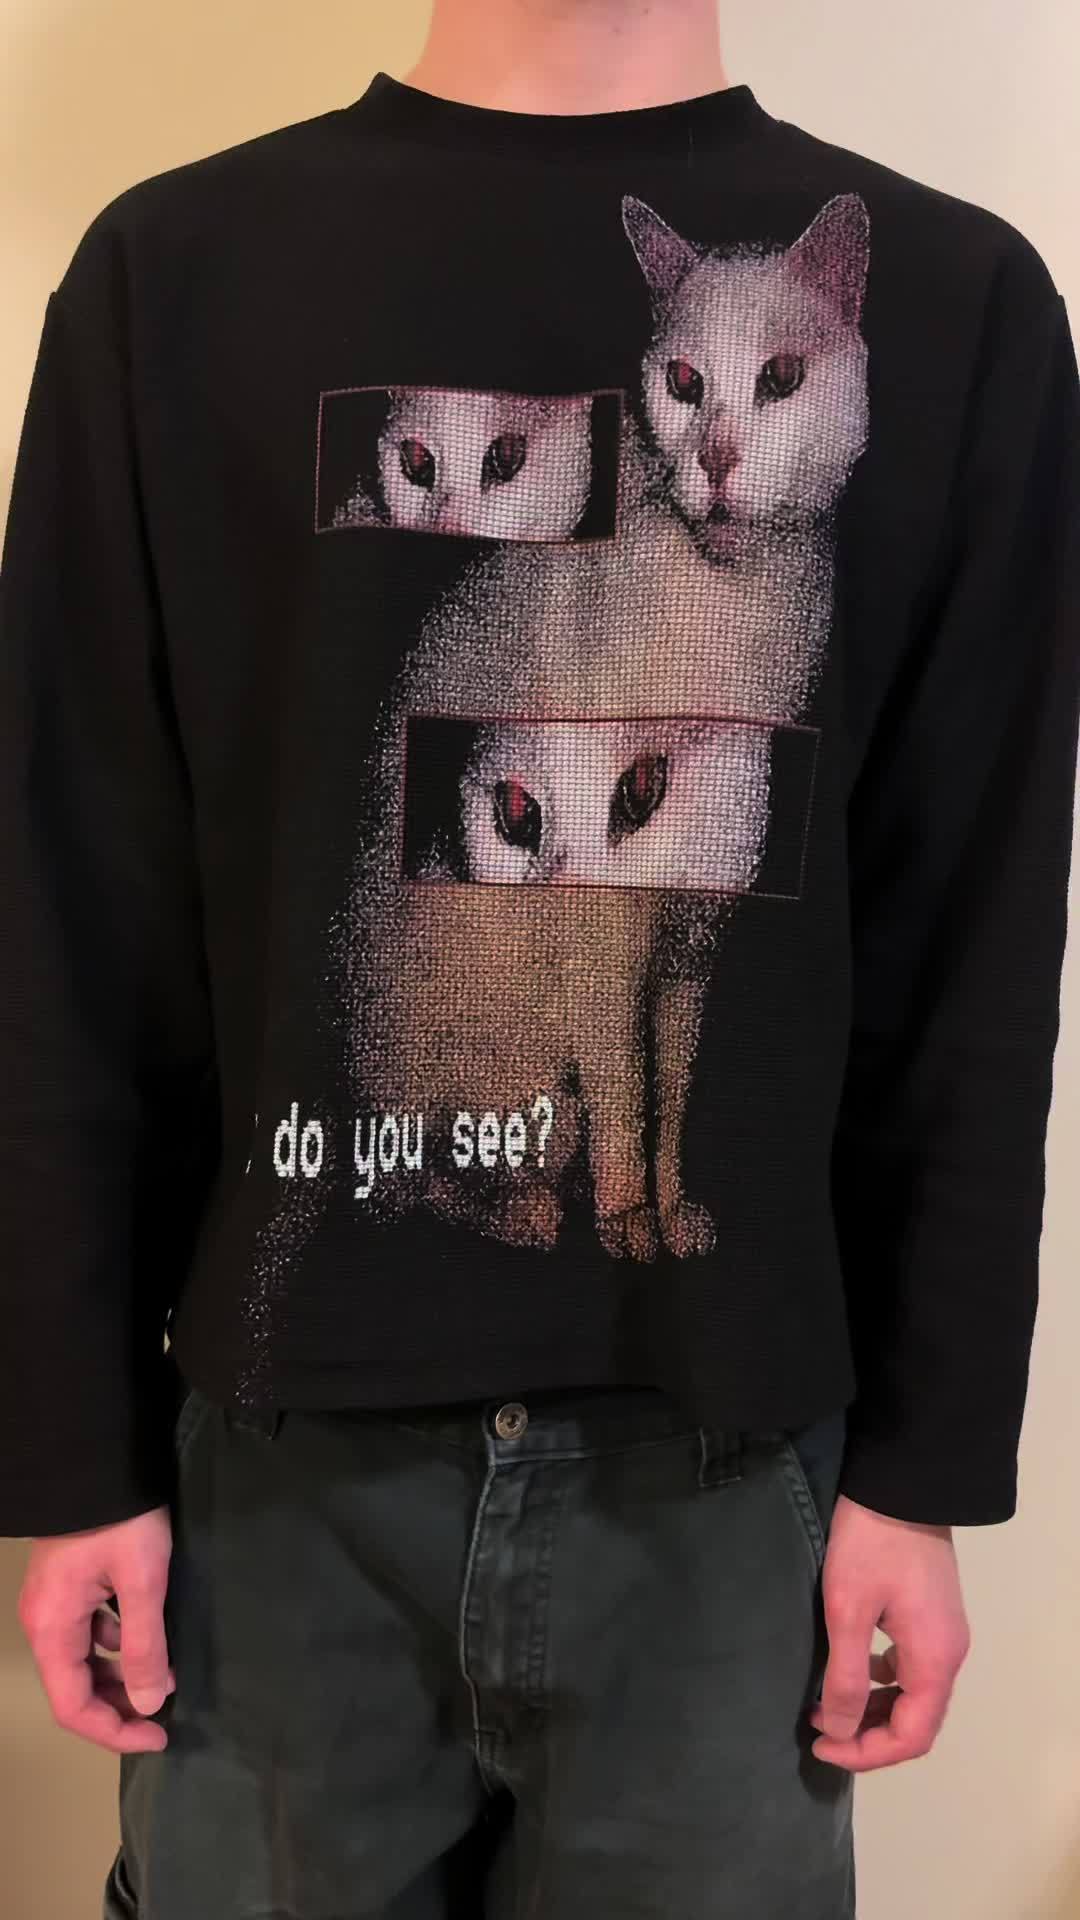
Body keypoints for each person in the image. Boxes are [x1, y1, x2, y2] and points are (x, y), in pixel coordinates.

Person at [3, 0, 1078, 1914]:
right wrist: (72, 1449)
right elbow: (76, 907)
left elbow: (967, 945)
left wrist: (925, 1470)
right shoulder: (171, 276)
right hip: (281, 1469)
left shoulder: (967, 303)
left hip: (730, 1474)